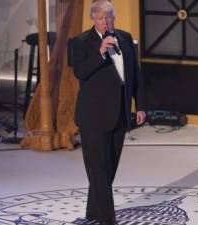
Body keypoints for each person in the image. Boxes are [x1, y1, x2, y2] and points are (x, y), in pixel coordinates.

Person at [70, 1, 146, 225]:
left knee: (109, 167)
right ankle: (107, 218)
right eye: (102, 18)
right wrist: (100, 52)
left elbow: (135, 75)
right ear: (93, 18)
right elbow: (80, 72)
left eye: (110, 17)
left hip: (119, 113)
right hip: (92, 116)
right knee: (99, 167)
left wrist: (139, 105)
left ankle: (93, 211)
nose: (106, 22)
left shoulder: (125, 38)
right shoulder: (80, 42)